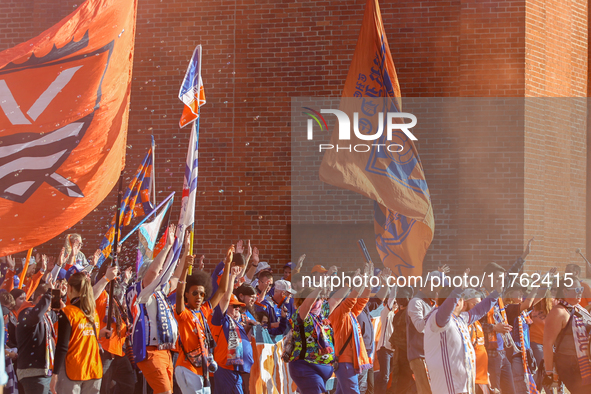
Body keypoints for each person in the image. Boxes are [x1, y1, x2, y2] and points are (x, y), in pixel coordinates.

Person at [125, 225, 186, 394]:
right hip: (149, 350)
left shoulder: (160, 293)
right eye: (160, 272)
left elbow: (174, 279)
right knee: (165, 392)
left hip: (165, 350)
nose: (161, 275)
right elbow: (152, 273)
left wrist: (184, 251)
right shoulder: (139, 290)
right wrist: (167, 247)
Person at [175, 249, 234, 394]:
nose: (199, 297)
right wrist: (184, 269)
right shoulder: (184, 314)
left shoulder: (204, 310)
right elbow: (179, 291)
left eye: (202, 294)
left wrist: (227, 264)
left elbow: (222, 290)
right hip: (186, 367)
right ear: (187, 295)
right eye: (195, 293)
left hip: (202, 368)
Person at [480, 237, 533, 394]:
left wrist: (524, 256)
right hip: (489, 352)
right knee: (493, 390)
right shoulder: (479, 296)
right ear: (487, 278)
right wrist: (494, 327)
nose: (502, 283)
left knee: (510, 390)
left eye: (502, 280)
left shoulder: (499, 292)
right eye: (498, 279)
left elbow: (511, 274)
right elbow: (470, 323)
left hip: (502, 352)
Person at [424, 286, 498, 394]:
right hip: (448, 389)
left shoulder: (460, 318)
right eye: (461, 299)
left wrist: (497, 292)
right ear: (458, 302)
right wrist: (457, 291)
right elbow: (445, 311)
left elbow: (479, 309)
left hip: (463, 387)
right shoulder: (437, 317)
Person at [50, 272, 109, 394]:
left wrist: (54, 374)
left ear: (70, 288)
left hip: (73, 371)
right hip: (94, 369)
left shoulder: (68, 313)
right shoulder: (93, 313)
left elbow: (62, 346)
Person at [210, 257, 254, 394]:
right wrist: (232, 276)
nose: (237, 309)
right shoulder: (220, 319)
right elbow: (225, 297)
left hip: (235, 370)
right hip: (225, 368)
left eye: (238, 307)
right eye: (234, 306)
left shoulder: (236, 322)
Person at [329, 265, 372, 394]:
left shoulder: (350, 314)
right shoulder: (336, 314)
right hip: (345, 362)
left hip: (350, 361)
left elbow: (361, 301)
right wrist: (358, 284)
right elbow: (350, 302)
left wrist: (367, 282)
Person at [543, 277, 591, 394]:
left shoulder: (580, 309)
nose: (580, 292)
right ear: (564, 291)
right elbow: (548, 344)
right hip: (569, 365)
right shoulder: (558, 312)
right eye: (576, 289)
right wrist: (549, 373)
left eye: (580, 289)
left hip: (584, 362)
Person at [287, 287, 334, 394]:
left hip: (323, 365)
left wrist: (350, 284)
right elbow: (307, 305)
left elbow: (336, 300)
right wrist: (319, 289)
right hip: (306, 366)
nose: (321, 301)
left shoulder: (321, 315)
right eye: (318, 299)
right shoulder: (301, 315)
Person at [15, 283, 58, 394]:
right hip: (32, 373)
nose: (50, 304)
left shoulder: (46, 315)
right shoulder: (26, 312)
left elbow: (61, 315)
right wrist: (49, 294)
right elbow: (36, 317)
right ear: (41, 298)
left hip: (45, 372)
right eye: (49, 300)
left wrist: (60, 298)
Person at [406, 271, 442, 394]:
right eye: (435, 285)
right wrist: (436, 309)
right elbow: (420, 327)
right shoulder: (416, 302)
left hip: (431, 355)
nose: (438, 289)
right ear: (426, 284)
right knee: (426, 390)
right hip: (419, 356)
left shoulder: (430, 303)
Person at [463, 289, 491, 394]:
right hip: (471, 381)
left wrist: (487, 376)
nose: (479, 307)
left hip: (482, 379)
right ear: (465, 304)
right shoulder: (464, 326)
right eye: (475, 304)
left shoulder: (477, 323)